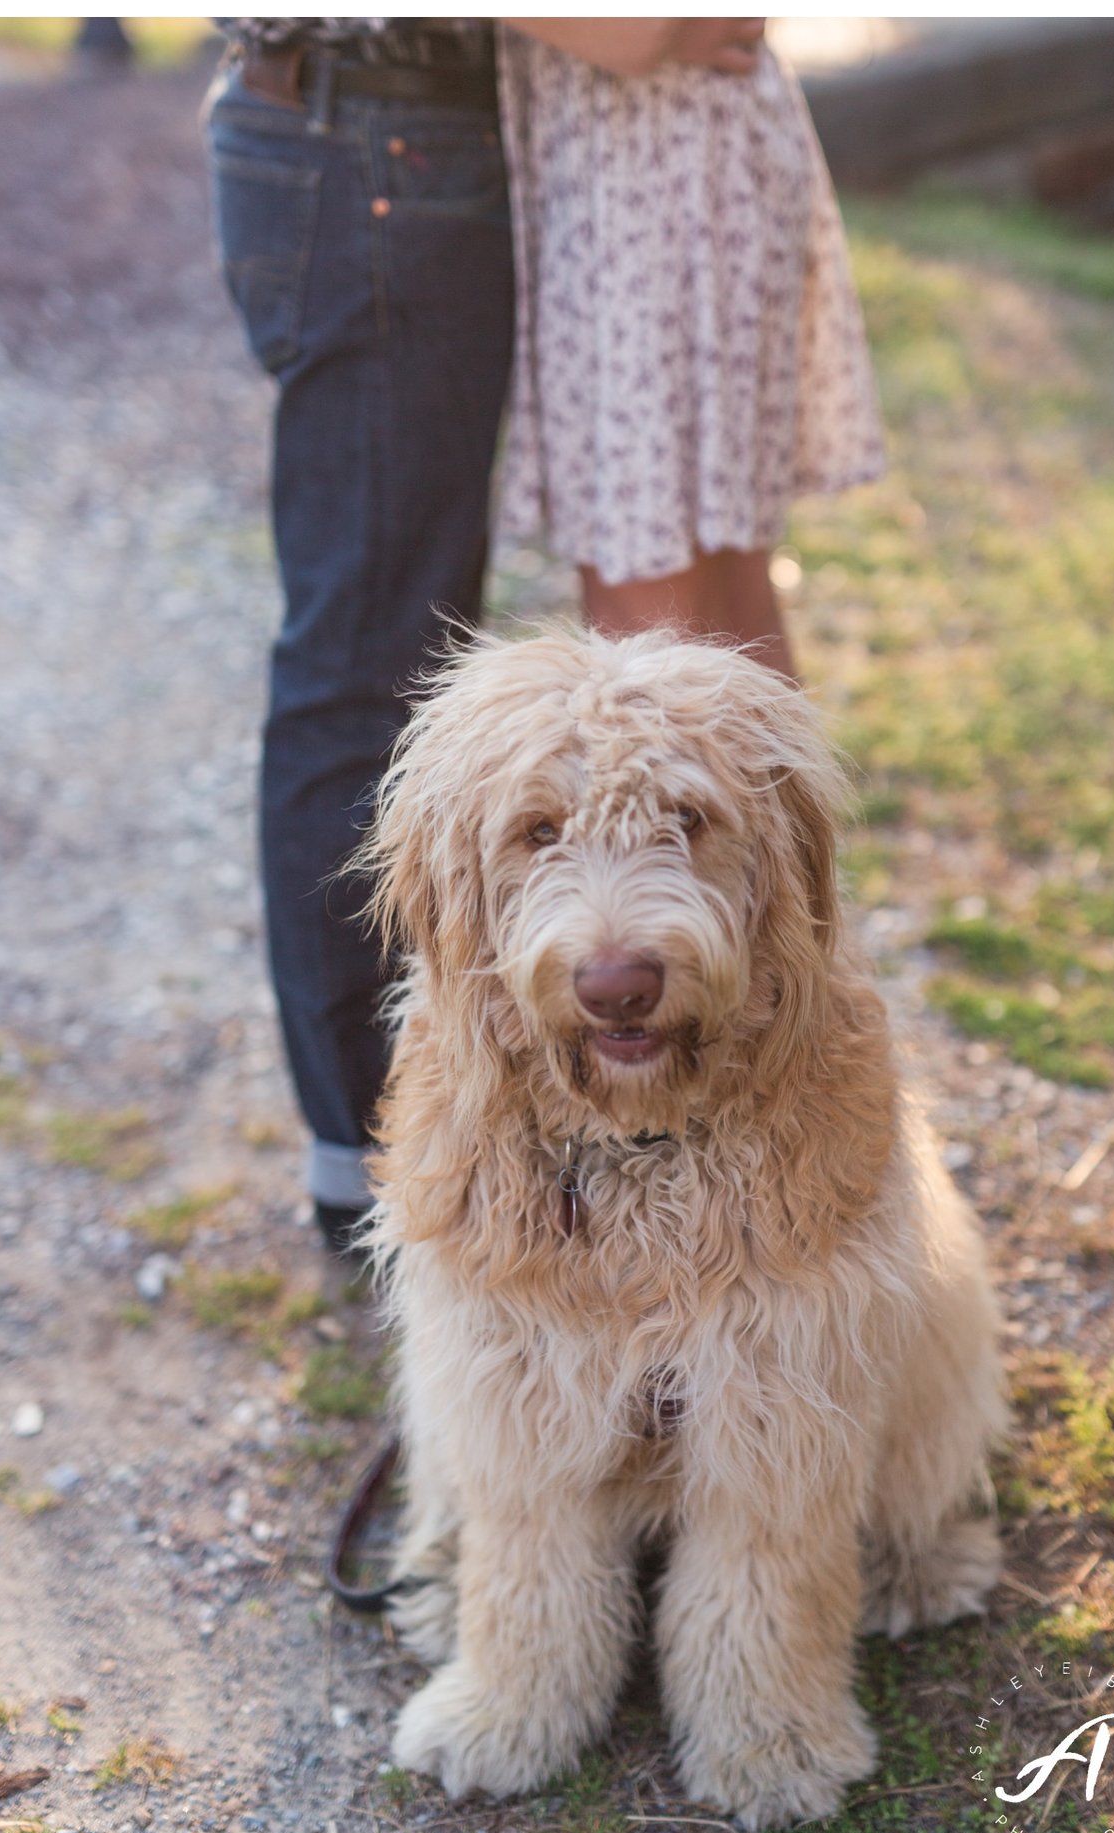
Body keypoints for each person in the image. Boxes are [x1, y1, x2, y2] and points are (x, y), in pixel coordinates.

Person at [206, 17, 781, 1249]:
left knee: (385, 641)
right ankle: (369, 1156)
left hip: (406, 131)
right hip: (377, 136)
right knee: (369, 657)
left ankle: (448, 1126)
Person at [497, 19, 885, 681]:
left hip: (649, 188)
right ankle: (773, 785)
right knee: (722, 601)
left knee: (650, 628)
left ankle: (699, 787)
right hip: (683, 166)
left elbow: (636, 31)